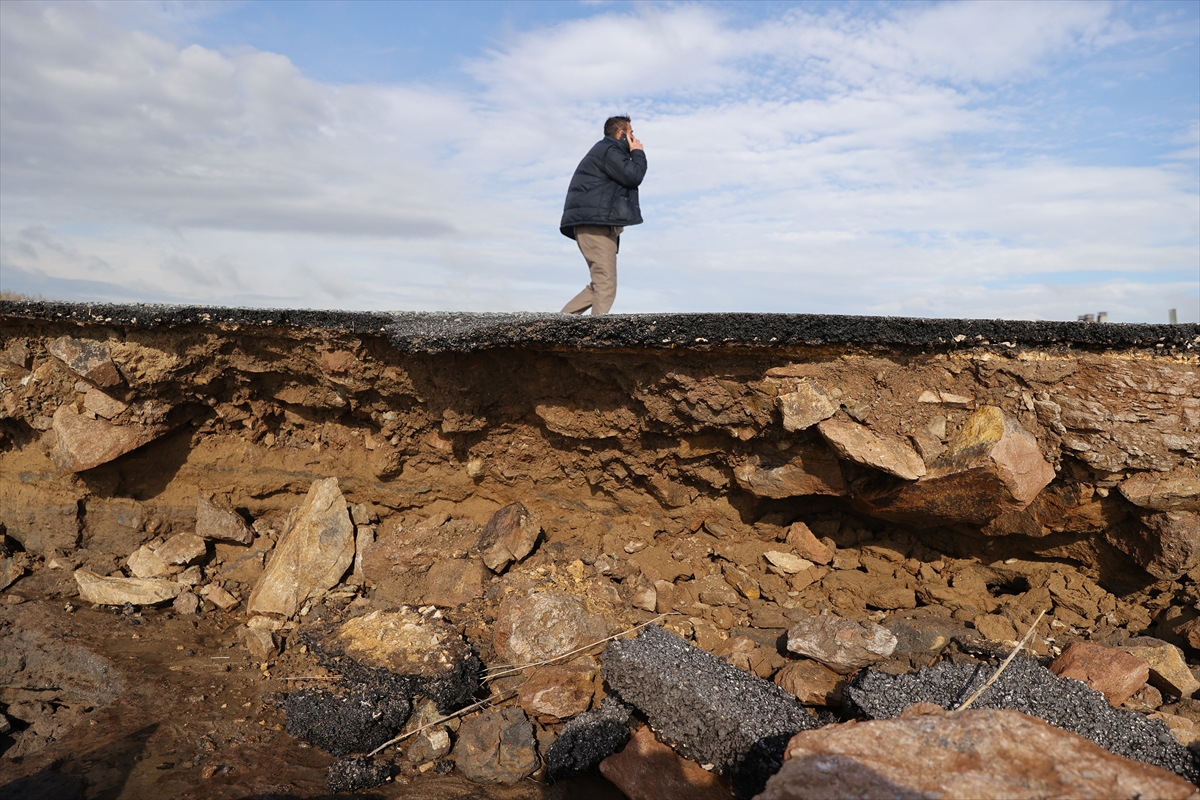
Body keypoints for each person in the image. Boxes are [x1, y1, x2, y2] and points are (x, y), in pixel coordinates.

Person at [559, 115, 647, 315]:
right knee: (606, 285)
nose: (634, 137)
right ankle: (595, 341)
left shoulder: (606, 151)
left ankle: (553, 329)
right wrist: (638, 154)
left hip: (595, 225)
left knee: (599, 285)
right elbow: (633, 176)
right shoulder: (609, 150)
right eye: (631, 133)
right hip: (595, 226)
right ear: (621, 134)